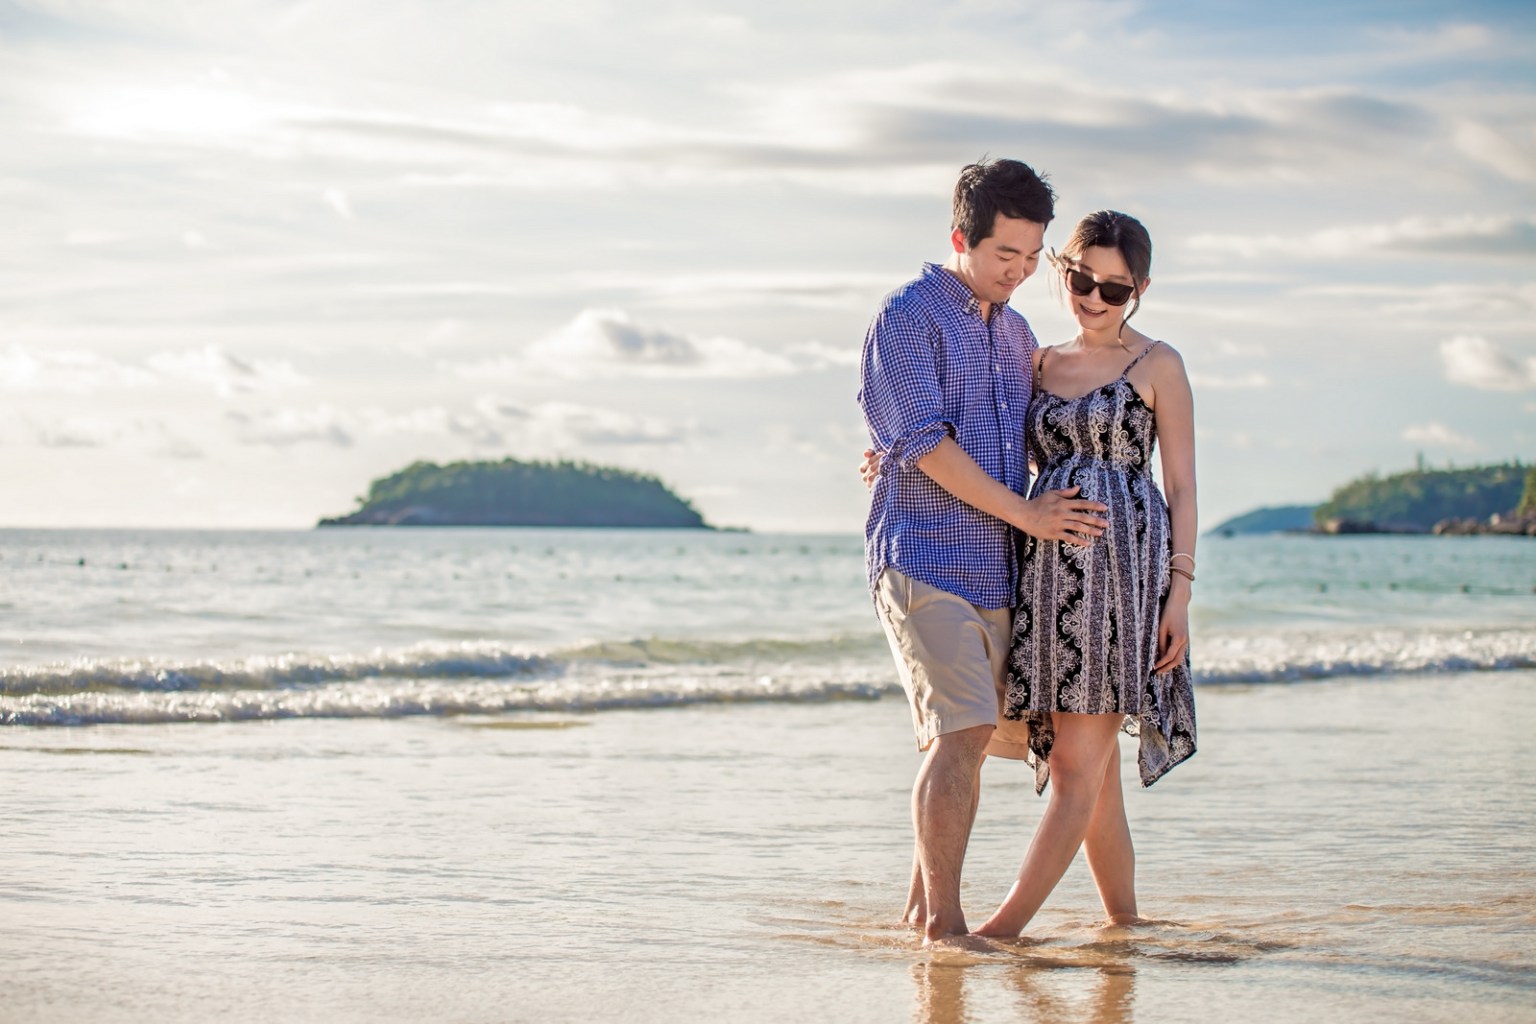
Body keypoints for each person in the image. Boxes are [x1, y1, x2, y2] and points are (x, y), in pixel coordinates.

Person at [857, 159, 1112, 946]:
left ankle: (916, 911)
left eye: (1034, 258)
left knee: (966, 740)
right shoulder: (907, 317)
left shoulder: (1017, 333)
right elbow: (928, 445)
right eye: (1007, 255)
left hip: (1002, 567)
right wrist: (1028, 515)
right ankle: (946, 928)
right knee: (962, 734)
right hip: (924, 558)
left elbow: (1045, 436)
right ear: (961, 238)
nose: (1022, 272)